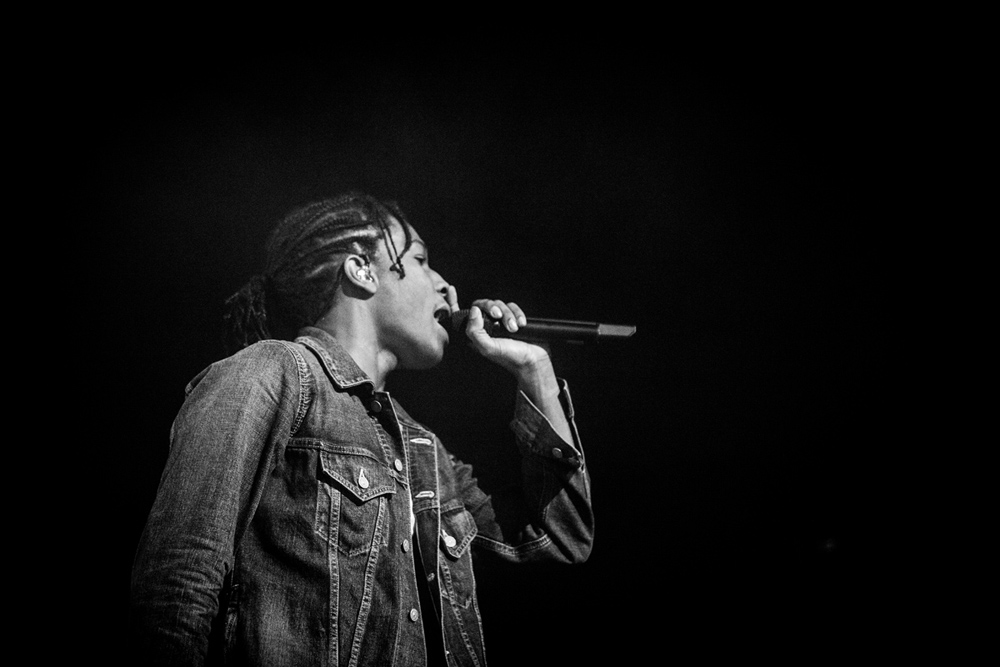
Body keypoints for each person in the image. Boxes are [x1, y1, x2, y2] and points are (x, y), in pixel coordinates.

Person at [130, 192, 594, 666]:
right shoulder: (272, 372)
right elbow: (179, 578)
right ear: (362, 269)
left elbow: (557, 541)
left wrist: (535, 370)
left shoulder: (423, 450)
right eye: (420, 260)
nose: (446, 288)